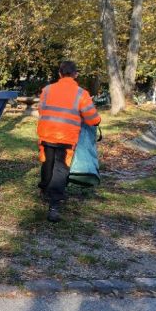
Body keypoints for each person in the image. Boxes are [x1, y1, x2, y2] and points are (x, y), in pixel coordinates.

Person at [37, 61, 101, 222]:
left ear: (59, 73)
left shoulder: (47, 90)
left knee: (47, 163)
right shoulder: (81, 94)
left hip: (46, 134)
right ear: (75, 74)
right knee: (61, 169)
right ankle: (54, 205)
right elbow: (92, 119)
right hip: (66, 138)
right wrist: (97, 120)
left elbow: (41, 109)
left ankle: (44, 190)